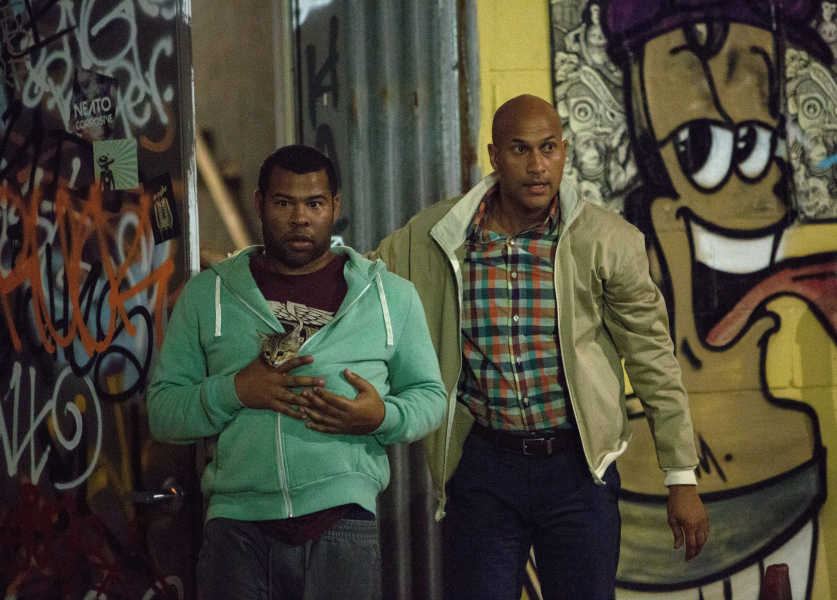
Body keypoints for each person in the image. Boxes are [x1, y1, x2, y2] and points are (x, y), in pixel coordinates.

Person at [370, 95, 709, 599]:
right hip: (483, 467)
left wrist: (681, 476)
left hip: (578, 470)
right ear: (494, 155)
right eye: (520, 149)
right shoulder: (438, 236)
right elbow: (362, 286)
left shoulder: (606, 241)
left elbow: (653, 359)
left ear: (564, 153)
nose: (537, 166)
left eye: (548, 148)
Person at [147, 145, 446, 600]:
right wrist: (235, 391)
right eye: (284, 203)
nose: (300, 218)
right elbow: (163, 412)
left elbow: (430, 396)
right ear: (259, 203)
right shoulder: (208, 295)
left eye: (315, 203)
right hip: (237, 533)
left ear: (335, 206)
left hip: (344, 524)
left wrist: (381, 417)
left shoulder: (391, 296)